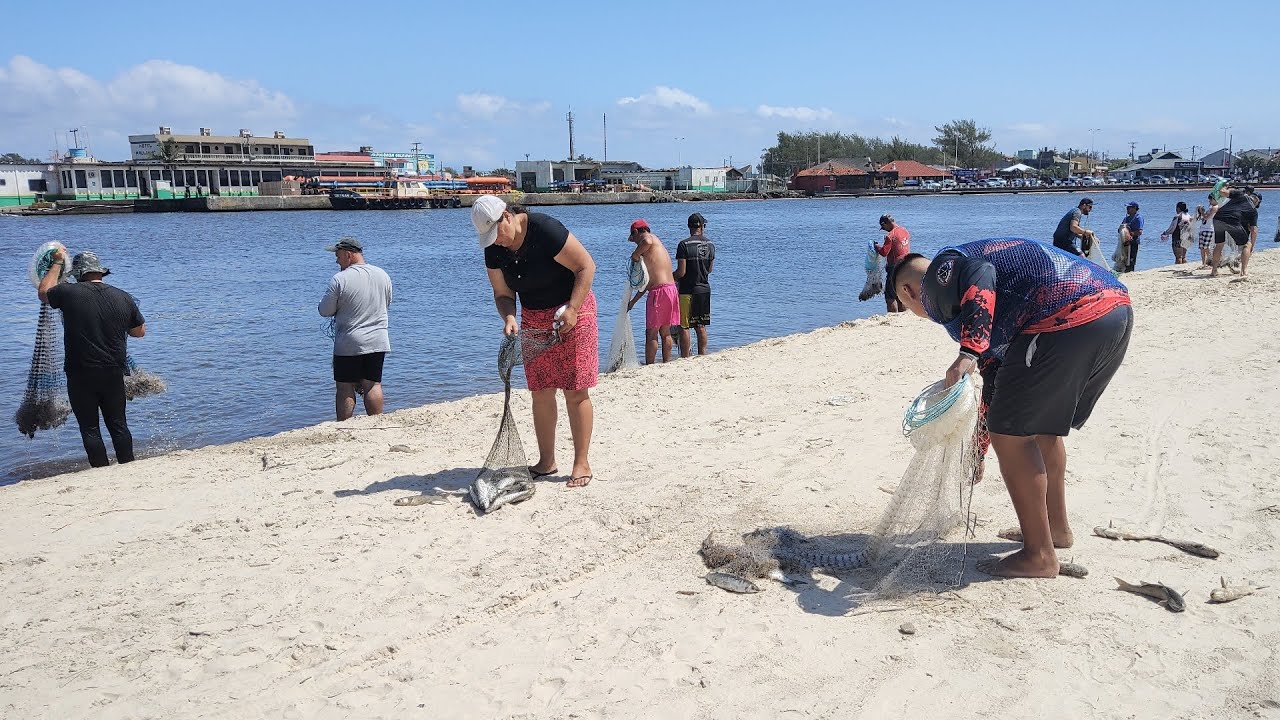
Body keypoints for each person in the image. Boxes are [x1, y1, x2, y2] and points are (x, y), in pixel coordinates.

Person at [889, 238, 1133, 578]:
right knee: (1041, 428)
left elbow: (981, 274)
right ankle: (1056, 530)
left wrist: (967, 352)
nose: (919, 313)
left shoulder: (941, 273)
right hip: (1112, 311)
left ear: (909, 291)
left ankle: (1039, 556)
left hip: (1064, 318)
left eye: (907, 305)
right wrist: (978, 449)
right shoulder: (983, 300)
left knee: (1012, 435)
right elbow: (997, 381)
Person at [473, 195, 599, 488]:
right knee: (540, 390)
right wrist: (509, 317)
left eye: (497, 233)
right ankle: (547, 461)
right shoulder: (493, 249)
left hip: (573, 309)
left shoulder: (545, 230)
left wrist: (573, 310)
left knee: (575, 389)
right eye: (489, 238)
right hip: (533, 317)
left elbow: (586, 267)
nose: (497, 241)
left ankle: (581, 462)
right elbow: (503, 294)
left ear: (507, 216)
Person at [37, 250, 146, 468]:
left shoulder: (69, 293)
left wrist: (57, 261)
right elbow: (139, 332)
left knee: (89, 427)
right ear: (100, 271)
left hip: (80, 372)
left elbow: (44, 292)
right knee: (118, 424)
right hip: (114, 371)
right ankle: (129, 467)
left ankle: (100, 469)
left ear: (77, 273)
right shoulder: (123, 296)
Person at [317, 238, 393, 421]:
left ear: (348, 254)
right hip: (378, 340)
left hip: (349, 342)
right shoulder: (382, 274)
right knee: (373, 385)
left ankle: (344, 425)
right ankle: (376, 422)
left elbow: (325, 310)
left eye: (337, 256)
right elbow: (387, 302)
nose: (336, 261)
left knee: (345, 387)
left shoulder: (340, 279)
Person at [625, 219, 680, 364]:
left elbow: (646, 241)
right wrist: (633, 302)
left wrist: (635, 255)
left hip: (660, 292)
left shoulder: (648, 239)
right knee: (665, 331)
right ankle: (666, 362)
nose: (635, 243)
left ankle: (650, 364)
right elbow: (646, 283)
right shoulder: (657, 244)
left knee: (652, 332)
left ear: (637, 232)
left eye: (634, 238)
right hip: (671, 289)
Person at [674, 213, 715, 357]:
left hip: (687, 290)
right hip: (704, 288)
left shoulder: (683, 244)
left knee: (684, 326)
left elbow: (681, 272)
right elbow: (710, 269)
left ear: (689, 227)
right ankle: (702, 355)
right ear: (702, 227)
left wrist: (669, 278)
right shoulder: (710, 244)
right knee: (700, 325)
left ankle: (685, 357)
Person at [1210, 187, 1259, 278]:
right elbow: (1254, 230)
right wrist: (1252, 245)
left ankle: (1214, 270)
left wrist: (1225, 185)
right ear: (1257, 201)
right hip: (1232, 219)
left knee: (1219, 244)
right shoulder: (1253, 210)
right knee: (1246, 245)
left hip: (1218, 217)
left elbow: (1222, 192)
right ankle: (1244, 272)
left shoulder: (1240, 194)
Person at [875, 214, 911, 312]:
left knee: (890, 297)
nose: (884, 229)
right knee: (901, 295)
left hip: (894, 268)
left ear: (887, 223)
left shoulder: (890, 235)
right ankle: (904, 316)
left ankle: (892, 318)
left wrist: (877, 246)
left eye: (883, 227)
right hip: (907, 266)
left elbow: (884, 252)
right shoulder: (905, 231)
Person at [1118, 201, 1143, 272]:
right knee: (1124, 258)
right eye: (1127, 207)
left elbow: (1139, 232)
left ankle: (1131, 272)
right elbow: (1119, 229)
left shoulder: (1138, 218)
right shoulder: (1126, 218)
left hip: (1133, 242)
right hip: (1124, 242)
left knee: (1131, 259)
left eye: (1129, 207)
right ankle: (1124, 271)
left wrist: (1130, 234)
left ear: (1134, 209)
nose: (1127, 209)